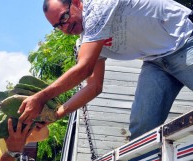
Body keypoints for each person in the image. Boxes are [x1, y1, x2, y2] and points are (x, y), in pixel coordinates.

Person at [18, 0, 193, 140]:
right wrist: (55, 114)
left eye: (64, 17)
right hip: (156, 62)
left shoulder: (98, 6)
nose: (65, 26)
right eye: (58, 26)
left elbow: (84, 69)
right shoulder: (86, 41)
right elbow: (93, 86)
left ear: (77, 3)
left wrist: (41, 97)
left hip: (184, 39)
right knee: (142, 127)